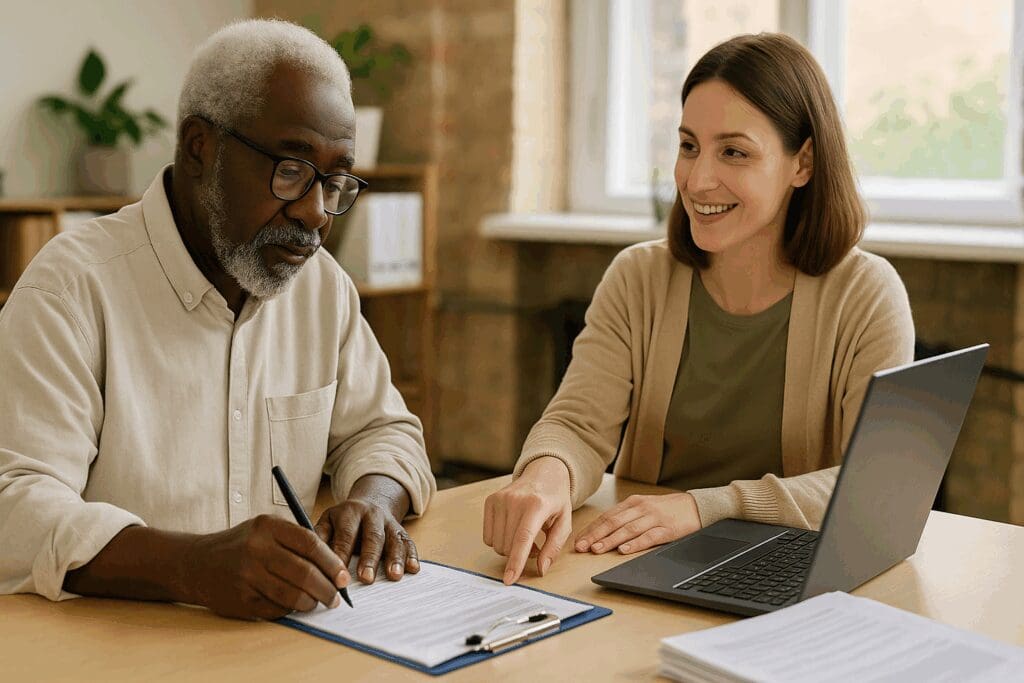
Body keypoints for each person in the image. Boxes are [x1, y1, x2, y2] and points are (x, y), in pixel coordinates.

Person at [0, 19, 436, 620]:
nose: (315, 213)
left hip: (290, 645)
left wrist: (373, 502)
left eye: (334, 182)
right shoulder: (72, 289)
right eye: (290, 170)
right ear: (201, 147)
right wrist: (191, 566)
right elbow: (14, 507)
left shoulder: (322, 288)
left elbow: (385, 431)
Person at [484, 32, 914, 585]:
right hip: (639, 565)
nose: (697, 179)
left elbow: (875, 487)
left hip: (795, 579)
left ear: (802, 163)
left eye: (733, 151)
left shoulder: (867, 294)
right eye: (689, 146)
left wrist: (704, 508)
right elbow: (577, 423)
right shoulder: (638, 277)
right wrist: (547, 475)